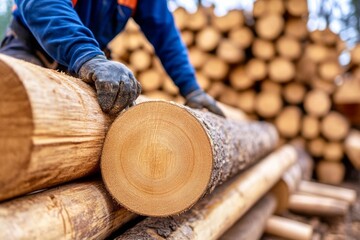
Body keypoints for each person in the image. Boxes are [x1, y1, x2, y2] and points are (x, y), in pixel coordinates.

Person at [0, 0, 224, 116]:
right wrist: (89, 57)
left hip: (86, 61)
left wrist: (191, 88)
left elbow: (164, 32)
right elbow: (43, 5)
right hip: (33, 49)